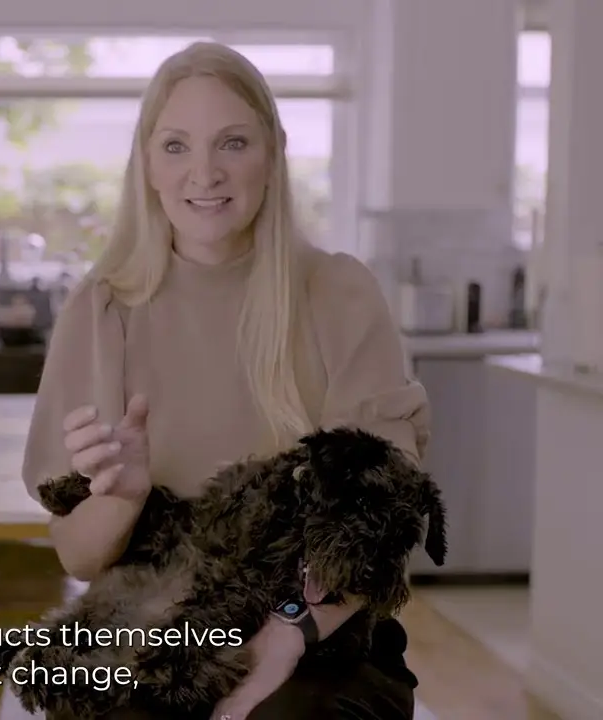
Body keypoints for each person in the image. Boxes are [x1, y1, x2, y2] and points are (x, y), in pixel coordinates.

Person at [22, 42, 430, 720]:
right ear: (147, 164)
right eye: (176, 146)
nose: (204, 173)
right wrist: (119, 500)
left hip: (319, 635)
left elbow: (374, 521)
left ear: (272, 151)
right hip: (155, 638)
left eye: (232, 143)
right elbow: (81, 557)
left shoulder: (338, 292)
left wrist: (280, 643)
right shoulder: (101, 309)